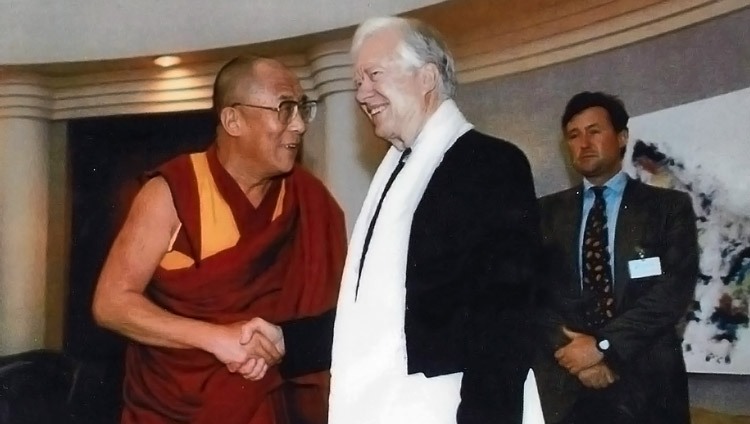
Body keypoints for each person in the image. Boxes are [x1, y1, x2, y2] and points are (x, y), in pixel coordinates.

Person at [242, 16, 544, 424]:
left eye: (374, 75)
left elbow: (505, 316)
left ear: (427, 78)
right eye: (357, 83)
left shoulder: (489, 164)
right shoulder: (396, 172)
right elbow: (384, 314)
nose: (363, 94)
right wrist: (288, 340)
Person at [91, 56, 347, 424]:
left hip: (263, 399)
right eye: (285, 108)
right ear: (233, 120)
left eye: (303, 109)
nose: (300, 125)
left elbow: (331, 313)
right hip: (170, 406)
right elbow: (111, 303)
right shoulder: (172, 192)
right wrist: (215, 338)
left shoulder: (308, 199)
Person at [533, 91, 698, 424]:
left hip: (649, 385)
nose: (584, 143)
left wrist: (603, 347)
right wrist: (577, 356)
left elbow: (672, 293)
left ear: (622, 137)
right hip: (568, 387)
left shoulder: (668, 208)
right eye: (574, 135)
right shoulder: (543, 214)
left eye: (594, 131)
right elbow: (533, 293)